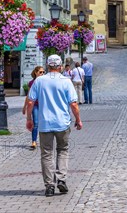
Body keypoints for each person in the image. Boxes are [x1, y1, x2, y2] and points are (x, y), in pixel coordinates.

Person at [25, 54, 82, 197]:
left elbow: (30, 102)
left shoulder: (39, 81)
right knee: (62, 150)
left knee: (46, 154)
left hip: (44, 123)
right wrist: (78, 119)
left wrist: (29, 119)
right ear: (61, 66)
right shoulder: (66, 81)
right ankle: (61, 180)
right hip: (62, 123)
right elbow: (74, 104)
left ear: (47, 66)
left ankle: (49, 185)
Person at [23, 66, 45, 149]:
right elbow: (28, 95)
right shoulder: (31, 83)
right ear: (35, 73)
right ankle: (34, 141)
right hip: (35, 105)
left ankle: (44, 141)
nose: (42, 74)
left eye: (43, 72)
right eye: (40, 72)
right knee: (35, 123)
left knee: (44, 123)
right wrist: (24, 106)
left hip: (44, 105)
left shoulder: (45, 82)